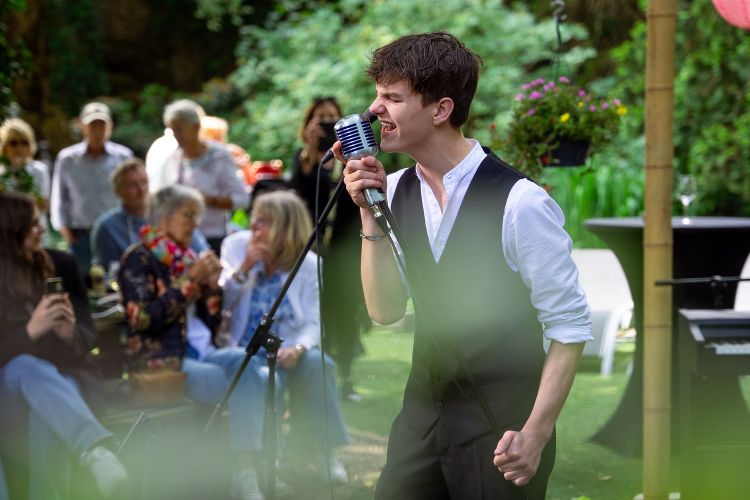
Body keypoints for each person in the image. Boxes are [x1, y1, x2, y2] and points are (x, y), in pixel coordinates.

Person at [340, 32, 592, 499]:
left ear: (441, 110)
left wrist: (536, 433)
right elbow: (384, 311)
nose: (374, 110)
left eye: (392, 98)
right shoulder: (393, 190)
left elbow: (569, 327)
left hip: (501, 430)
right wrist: (368, 211)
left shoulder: (521, 202)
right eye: (377, 95)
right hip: (419, 424)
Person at [118, 185, 283, 500]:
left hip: (203, 350)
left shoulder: (187, 257)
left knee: (249, 365)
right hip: (164, 360)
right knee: (243, 382)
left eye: (197, 216)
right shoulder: (138, 258)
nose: (196, 224)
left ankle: (250, 470)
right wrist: (191, 281)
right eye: (189, 215)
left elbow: (210, 320)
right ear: (164, 217)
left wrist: (211, 289)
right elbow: (142, 319)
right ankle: (247, 471)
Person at [0, 192, 128, 499]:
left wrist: (70, 334)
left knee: (47, 413)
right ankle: (95, 449)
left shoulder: (61, 264)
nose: (41, 229)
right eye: (32, 225)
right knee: (24, 365)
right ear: (11, 232)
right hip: (9, 392)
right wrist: (31, 331)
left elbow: (89, 333)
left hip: (64, 379)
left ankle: (58, 484)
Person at [220, 190, 351, 484]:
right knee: (269, 380)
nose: (253, 227)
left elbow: (314, 321)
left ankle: (327, 453)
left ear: (286, 228)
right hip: (244, 349)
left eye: (263, 222)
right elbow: (221, 300)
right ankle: (270, 464)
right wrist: (245, 268)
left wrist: (299, 348)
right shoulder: (236, 246)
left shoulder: (309, 264)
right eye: (254, 220)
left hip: (288, 350)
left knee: (320, 364)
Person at [290, 96, 368, 401]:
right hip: (312, 250)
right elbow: (299, 197)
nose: (325, 124)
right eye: (319, 118)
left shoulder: (353, 157)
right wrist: (311, 152)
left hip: (345, 251)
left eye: (331, 118)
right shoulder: (304, 159)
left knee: (345, 313)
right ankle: (313, 379)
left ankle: (345, 379)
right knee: (312, 313)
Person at [153, 99, 248, 255]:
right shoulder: (173, 159)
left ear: (196, 127)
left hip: (213, 237)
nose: (176, 136)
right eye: (173, 130)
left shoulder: (219, 157)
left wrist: (211, 200)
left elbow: (242, 199)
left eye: (179, 129)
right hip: (179, 240)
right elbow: (160, 198)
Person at [49, 101, 134, 276]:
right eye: (92, 125)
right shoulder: (67, 159)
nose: (97, 130)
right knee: (83, 284)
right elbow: (59, 198)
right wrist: (65, 231)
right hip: (80, 235)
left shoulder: (123, 156)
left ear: (110, 127)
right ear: (82, 127)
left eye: (101, 125)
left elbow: (133, 195)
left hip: (116, 231)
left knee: (118, 280)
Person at [90, 158, 209, 271]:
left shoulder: (169, 214)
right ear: (118, 191)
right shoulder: (107, 226)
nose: (141, 190)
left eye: (144, 182)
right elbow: (106, 270)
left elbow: (201, 252)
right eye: (132, 185)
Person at [0, 118, 50, 212]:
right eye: (13, 143)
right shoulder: (1, 173)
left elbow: (43, 206)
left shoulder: (39, 170)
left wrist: (24, 176)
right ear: (5, 147)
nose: (19, 148)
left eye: (24, 143)